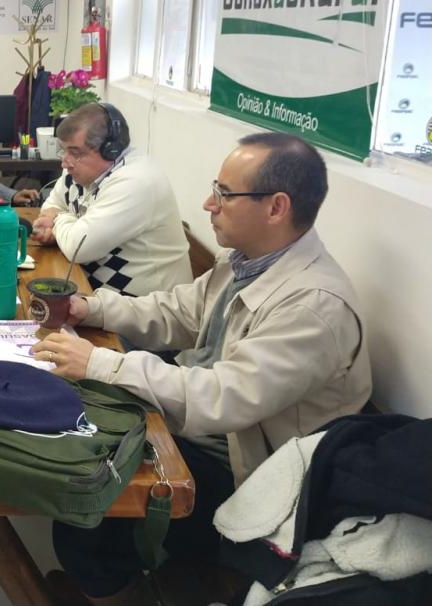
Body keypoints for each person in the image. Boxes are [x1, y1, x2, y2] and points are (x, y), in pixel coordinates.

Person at [31, 133, 372, 606]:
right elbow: (178, 312)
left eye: (225, 194)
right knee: (75, 435)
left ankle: (122, 589)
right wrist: (91, 310)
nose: (209, 203)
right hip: (204, 435)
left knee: (86, 506)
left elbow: (222, 398)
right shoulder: (247, 262)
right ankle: (103, 581)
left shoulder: (313, 306)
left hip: (253, 482)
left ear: (276, 207)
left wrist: (104, 363)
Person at [31, 103, 192, 297]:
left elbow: (78, 247)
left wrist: (57, 221)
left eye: (75, 152)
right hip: (98, 301)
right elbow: (52, 205)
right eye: (63, 150)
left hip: (149, 314)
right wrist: (59, 228)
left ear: (111, 149)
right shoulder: (79, 170)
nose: (65, 161)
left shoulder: (136, 181)